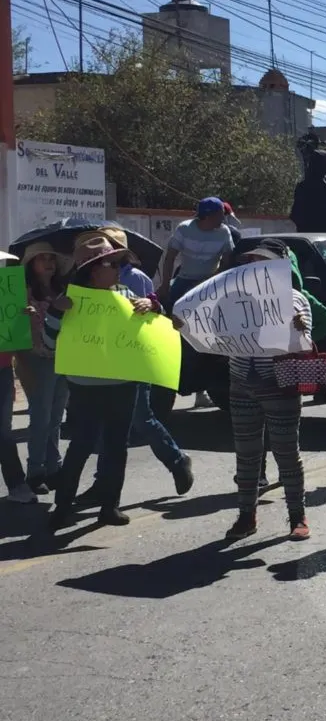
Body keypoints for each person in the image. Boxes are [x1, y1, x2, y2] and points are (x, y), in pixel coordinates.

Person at [45, 233, 164, 530]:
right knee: (81, 446)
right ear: (94, 269)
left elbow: (154, 328)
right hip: (84, 388)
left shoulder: (126, 295)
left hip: (122, 385)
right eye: (112, 263)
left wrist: (153, 307)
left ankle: (110, 506)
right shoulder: (71, 300)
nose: (117, 269)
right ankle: (62, 506)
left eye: (117, 263)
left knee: (116, 447)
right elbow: (50, 343)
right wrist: (54, 313)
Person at [70, 227, 195, 506]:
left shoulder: (134, 279)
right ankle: (103, 485)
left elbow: (154, 314)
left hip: (131, 364)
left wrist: (148, 304)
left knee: (141, 418)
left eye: (113, 255)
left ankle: (177, 460)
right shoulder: (84, 287)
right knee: (109, 428)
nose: (112, 262)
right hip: (103, 365)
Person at [214, 238, 313, 541]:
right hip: (241, 382)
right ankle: (247, 516)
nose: (255, 266)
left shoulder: (295, 299)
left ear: (279, 267)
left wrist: (298, 328)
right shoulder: (232, 298)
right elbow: (215, 331)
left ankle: (298, 516)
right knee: (246, 455)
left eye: (263, 262)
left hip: (279, 384)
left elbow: (304, 343)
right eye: (252, 261)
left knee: (286, 452)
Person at [19, 241, 70, 497]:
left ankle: (54, 468)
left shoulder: (62, 290)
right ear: (31, 265)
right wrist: (23, 314)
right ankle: (35, 471)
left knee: (56, 416)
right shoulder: (23, 291)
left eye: (52, 258)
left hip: (63, 359)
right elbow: (12, 323)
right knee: (41, 417)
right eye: (42, 259)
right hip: (36, 359)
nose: (49, 263)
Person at [158, 197, 236, 307]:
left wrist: (208, 281)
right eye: (220, 214)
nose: (223, 218)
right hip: (184, 279)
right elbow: (170, 258)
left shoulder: (224, 232)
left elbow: (226, 262)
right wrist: (165, 285)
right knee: (169, 306)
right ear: (208, 216)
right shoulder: (184, 229)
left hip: (210, 282)